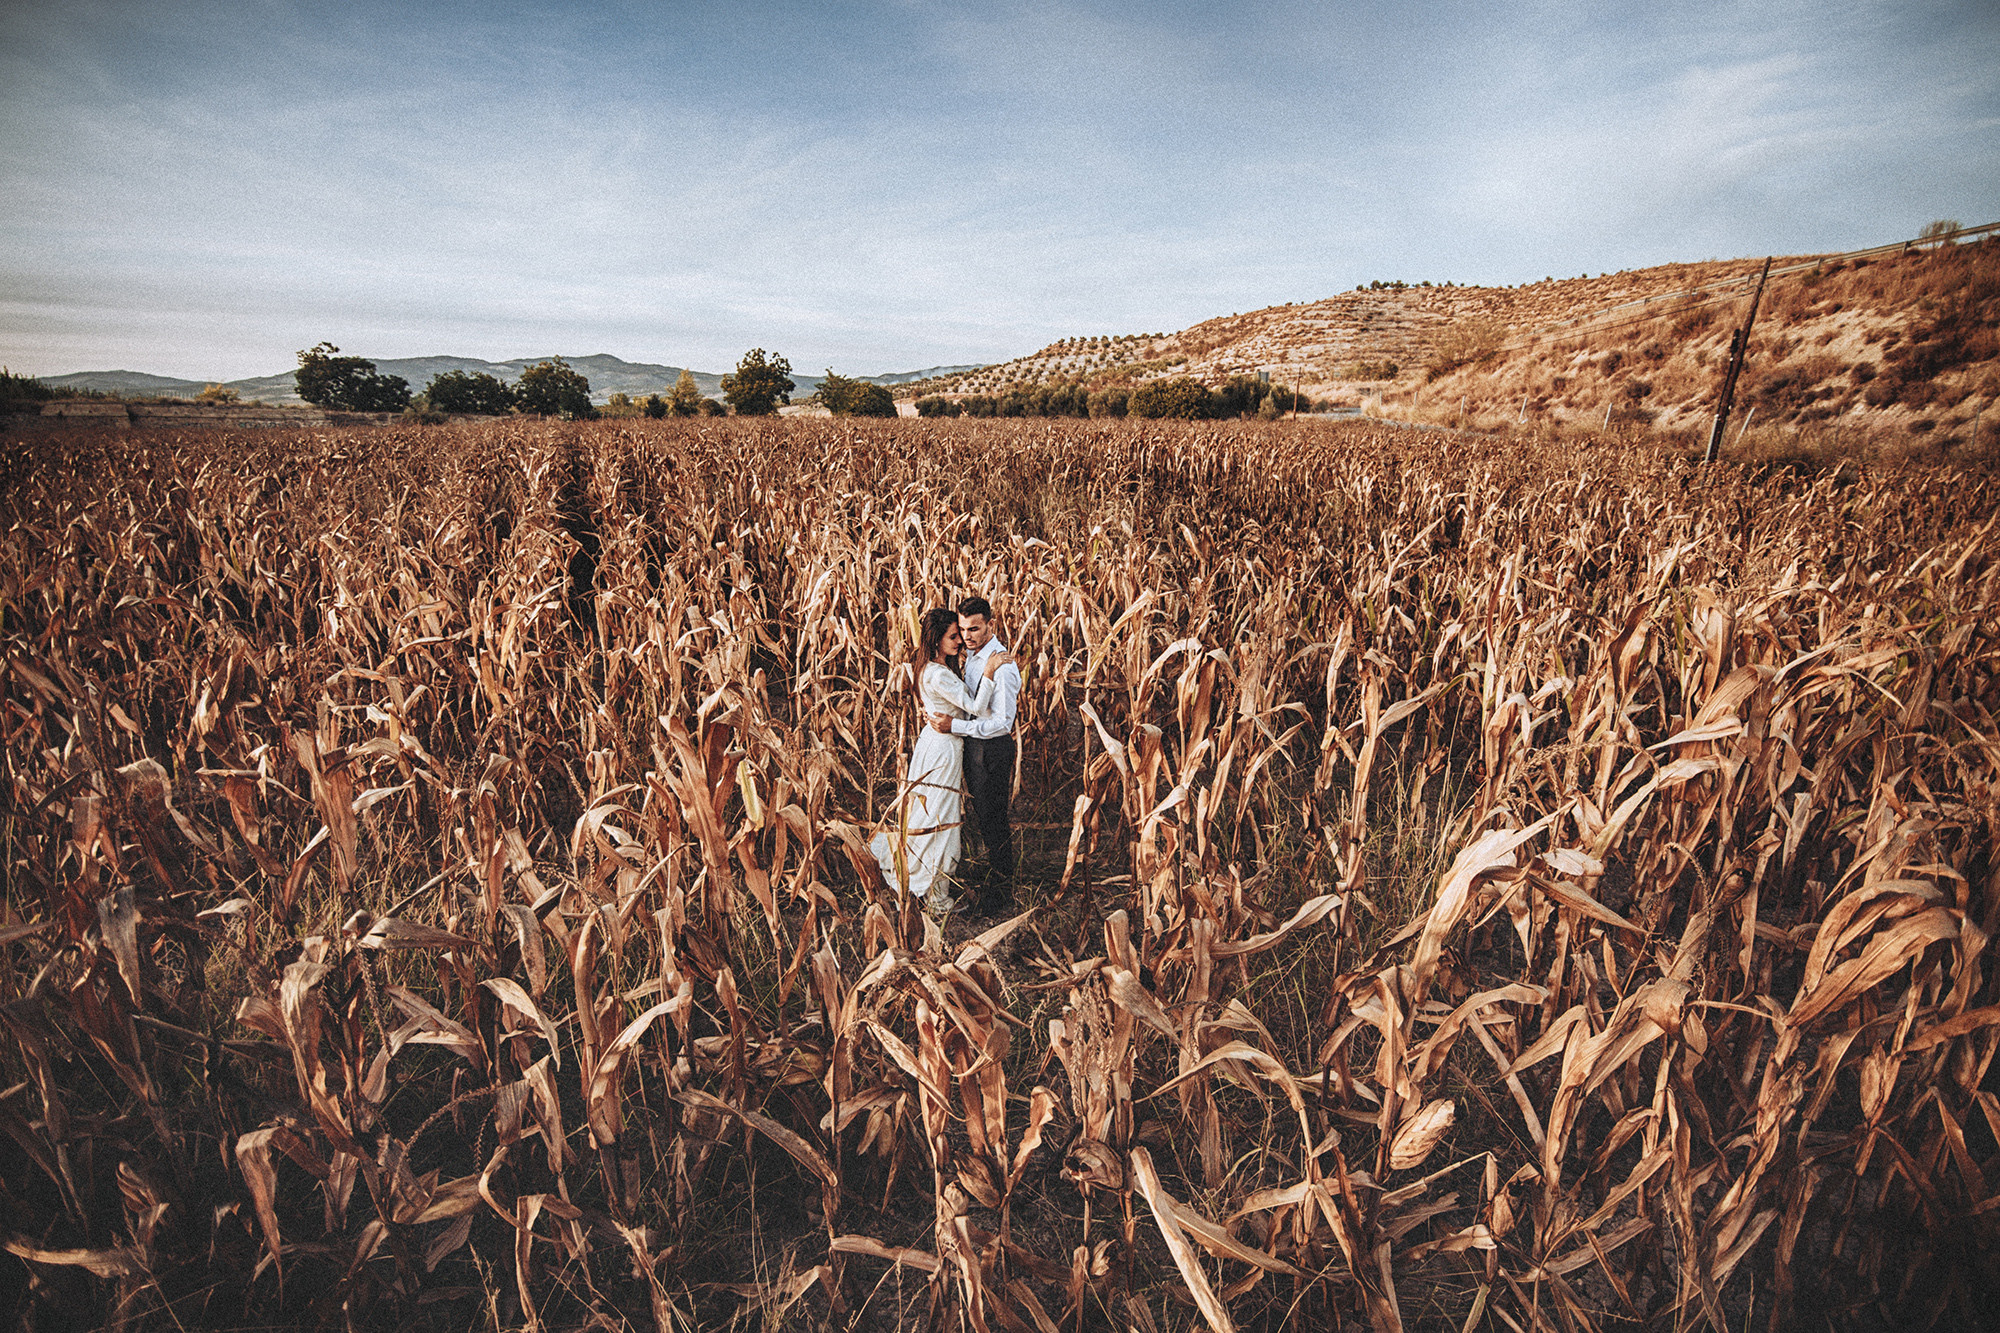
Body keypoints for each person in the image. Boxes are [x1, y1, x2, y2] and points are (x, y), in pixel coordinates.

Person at [871, 607, 1014, 914]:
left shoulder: (931, 667)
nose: (961, 641)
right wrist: (989, 670)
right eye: (954, 636)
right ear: (936, 639)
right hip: (944, 749)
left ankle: (924, 879)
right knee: (941, 818)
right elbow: (975, 706)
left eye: (963, 634)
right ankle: (935, 896)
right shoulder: (937, 674)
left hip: (934, 743)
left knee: (930, 813)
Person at [928, 596, 1020, 916]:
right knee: (984, 818)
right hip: (976, 748)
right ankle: (993, 881)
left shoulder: (1002, 665)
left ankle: (999, 897)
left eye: (975, 628)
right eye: (963, 629)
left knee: (994, 821)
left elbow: (1001, 724)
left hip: (992, 750)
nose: (967, 635)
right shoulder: (974, 656)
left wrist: (957, 726)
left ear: (990, 625)